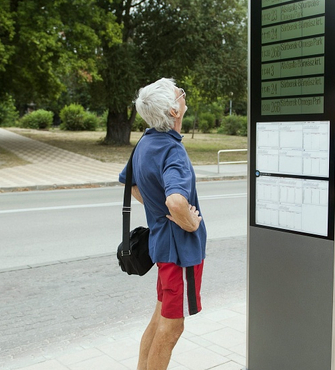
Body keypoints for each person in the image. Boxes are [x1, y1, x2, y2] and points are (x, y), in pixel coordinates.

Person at [118, 78, 207, 370]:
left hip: (163, 248)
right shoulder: (173, 151)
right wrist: (191, 224)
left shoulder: (146, 141)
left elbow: (128, 183)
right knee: (171, 328)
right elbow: (176, 202)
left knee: (159, 319)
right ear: (174, 112)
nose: (183, 95)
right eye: (180, 93)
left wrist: (154, 208)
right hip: (179, 254)